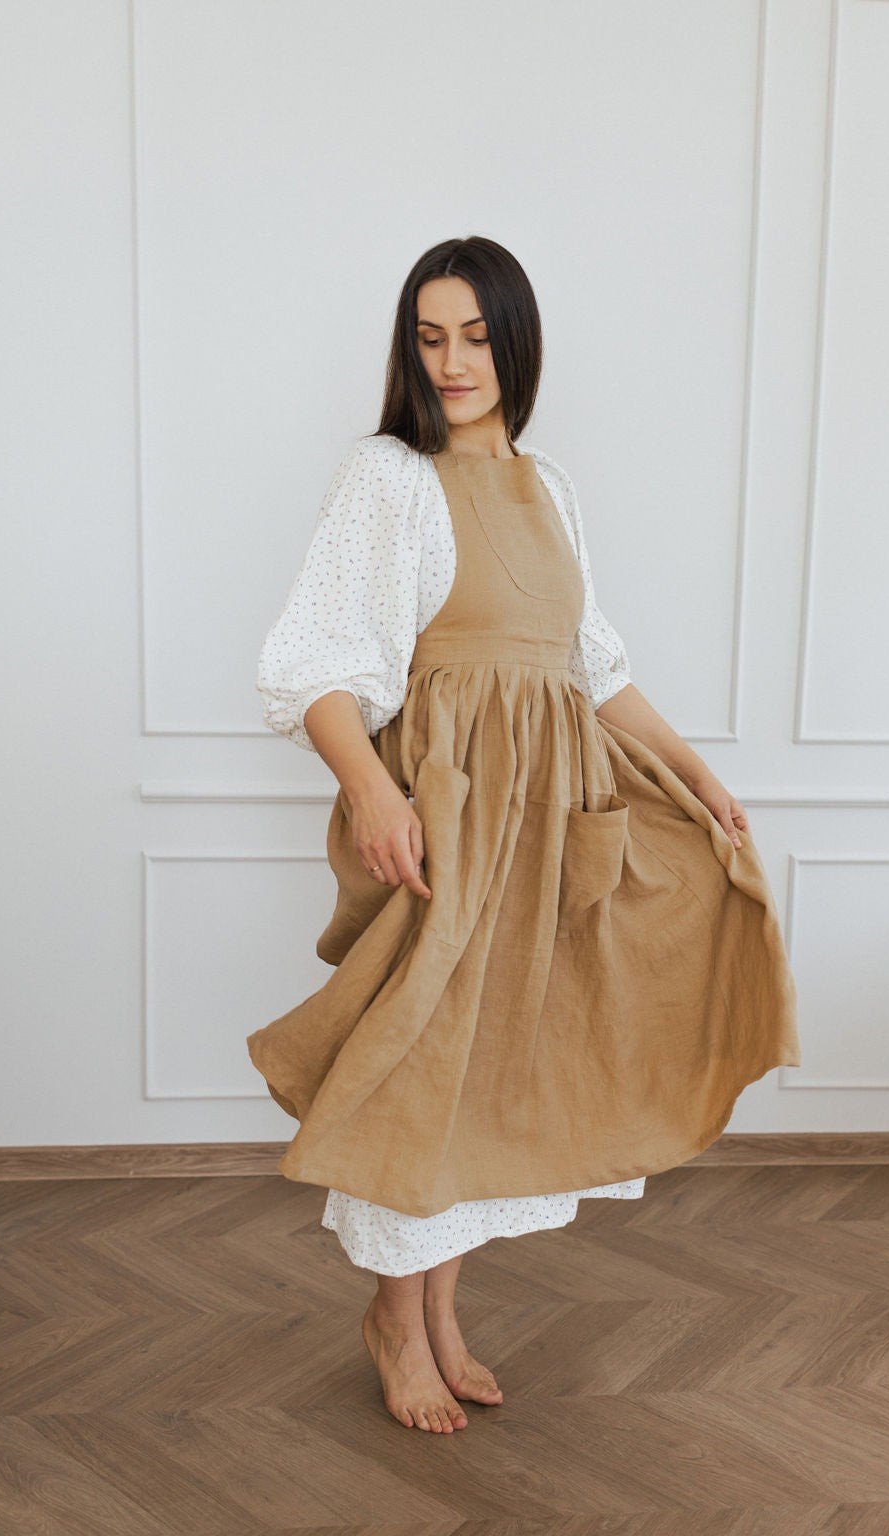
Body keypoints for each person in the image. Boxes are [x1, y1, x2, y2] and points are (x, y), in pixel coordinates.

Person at [248, 235, 801, 1434]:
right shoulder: (387, 478)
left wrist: (700, 779)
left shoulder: (549, 488)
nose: (451, 363)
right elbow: (311, 665)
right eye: (430, 338)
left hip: (549, 819)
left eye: (476, 337)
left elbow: (591, 665)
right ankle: (395, 1319)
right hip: (447, 820)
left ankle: (442, 1312)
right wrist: (373, 795)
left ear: (515, 341)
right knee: (424, 1067)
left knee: (497, 1069)